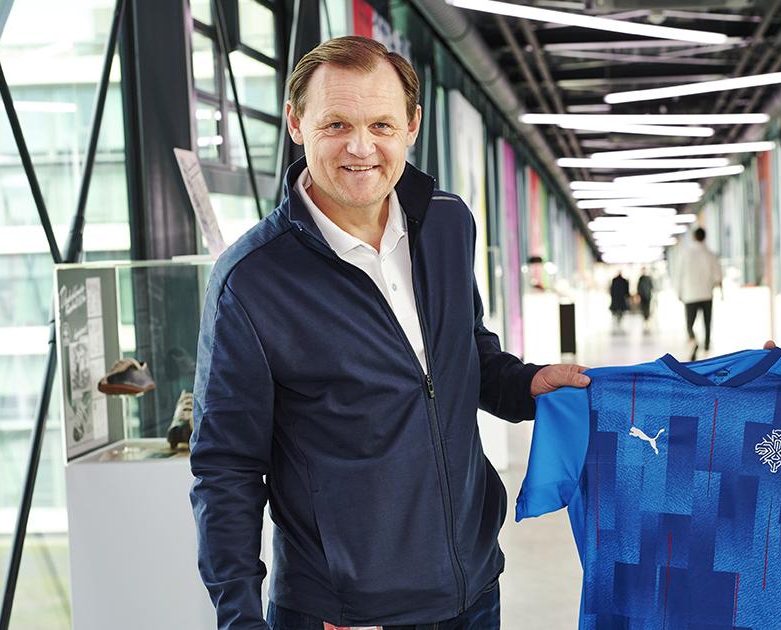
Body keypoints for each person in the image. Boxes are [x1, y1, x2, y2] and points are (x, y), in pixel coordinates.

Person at [189, 36, 590, 630]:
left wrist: (528, 384)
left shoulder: (447, 223)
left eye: (381, 124)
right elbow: (226, 469)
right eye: (336, 124)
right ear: (296, 124)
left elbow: (465, 354)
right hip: (347, 614)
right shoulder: (251, 281)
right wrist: (241, 620)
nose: (361, 147)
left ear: (412, 126)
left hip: (474, 588)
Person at [673, 227, 722, 360]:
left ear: (694, 237)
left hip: (690, 295)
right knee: (707, 322)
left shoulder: (685, 253)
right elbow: (718, 276)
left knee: (690, 323)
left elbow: (679, 274)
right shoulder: (711, 255)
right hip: (707, 294)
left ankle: (693, 339)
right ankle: (706, 347)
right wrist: (718, 289)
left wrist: (678, 292)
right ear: (704, 237)